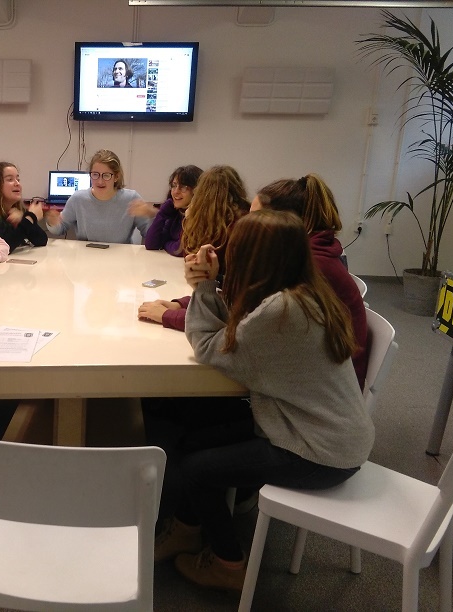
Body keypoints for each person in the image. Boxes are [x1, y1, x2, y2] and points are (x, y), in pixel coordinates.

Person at [155, 210, 374, 592]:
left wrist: (204, 288)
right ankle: (189, 529)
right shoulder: (304, 292)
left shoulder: (280, 312)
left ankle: (228, 564)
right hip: (322, 431)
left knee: (194, 468)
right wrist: (210, 285)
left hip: (318, 452)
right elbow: (238, 328)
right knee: (197, 438)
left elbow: (210, 346)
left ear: (254, 259)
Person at [251, 174, 369, 388]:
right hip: (320, 373)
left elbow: (255, 321)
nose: (246, 228)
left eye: (255, 221)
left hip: (325, 387)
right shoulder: (302, 255)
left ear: (285, 223)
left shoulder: (310, 266)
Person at [137, 165, 249, 330]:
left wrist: (167, 315)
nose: (176, 192)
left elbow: (229, 314)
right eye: (174, 186)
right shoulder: (229, 226)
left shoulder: (232, 233)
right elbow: (222, 293)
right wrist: (181, 304)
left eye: (185, 188)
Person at [45, 149, 152, 244]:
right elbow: (60, 229)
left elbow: (150, 234)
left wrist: (152, 215)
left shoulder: (131, 198)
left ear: (116, 177)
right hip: (86, 256)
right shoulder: (78, 199)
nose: (100, 181)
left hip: (120, 257)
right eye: (95, 174)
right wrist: (53, 222)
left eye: (106, 175)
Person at [0, 161, 48, 253]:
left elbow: (41, 240)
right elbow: (5, 247)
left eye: (18, 179)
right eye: (10, 179)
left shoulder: (17, 209)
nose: (17, 183)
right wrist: (30, 217)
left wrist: (23, 220)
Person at [142, 164, 203, 256]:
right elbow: (151, 244)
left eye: (183, 187)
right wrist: (161, 214)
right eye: (174, 186)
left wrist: (165, 244)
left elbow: (180, 250)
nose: (175, 192)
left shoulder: (200, 216)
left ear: (196, 190)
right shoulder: (175, 212)